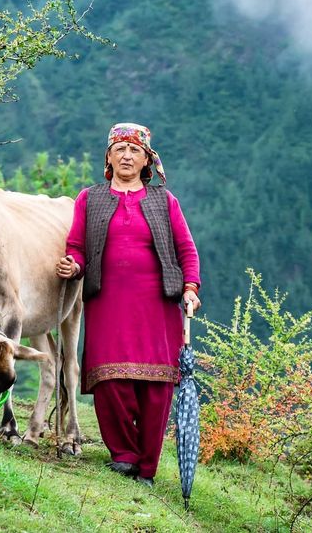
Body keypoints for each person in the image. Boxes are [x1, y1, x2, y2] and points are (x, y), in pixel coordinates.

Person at [56, 123, 201, 488]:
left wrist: (190, 286)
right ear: (108, 156)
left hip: (157, 304)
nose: (126, 155)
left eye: (134, 150)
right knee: (110, 379)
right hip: (107, 302)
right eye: (119, 148)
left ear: (147, 159)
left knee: (156, 388)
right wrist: (73, 265)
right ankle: (124, 455)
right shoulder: (90, 199)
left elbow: (186, 249)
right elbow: (77, 246)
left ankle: (147, 468)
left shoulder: (164, 201)